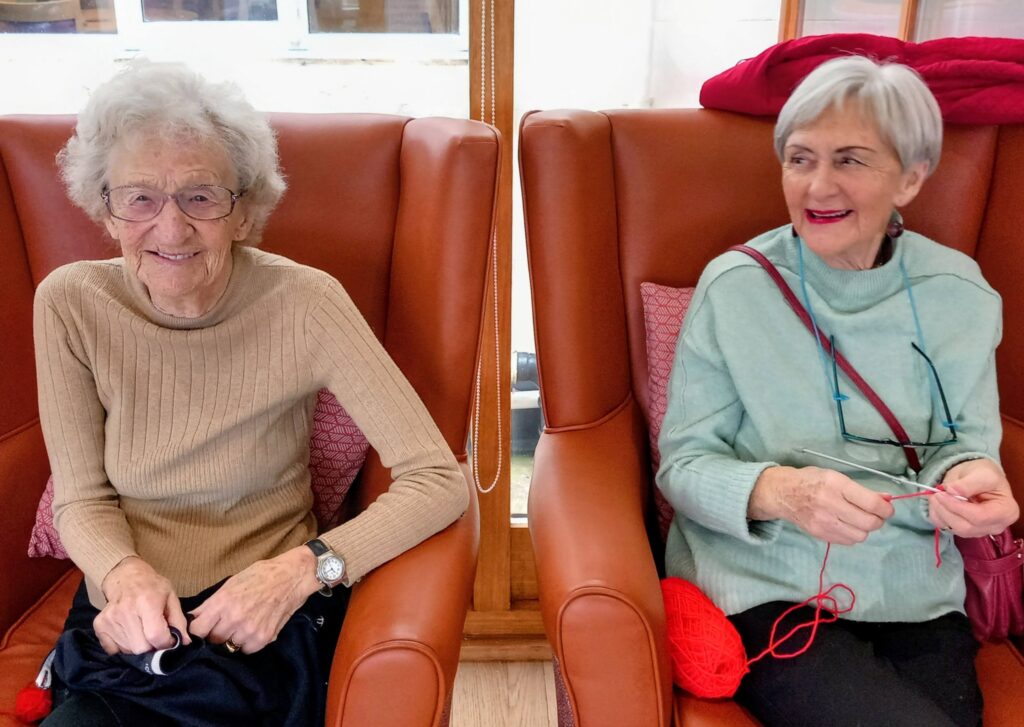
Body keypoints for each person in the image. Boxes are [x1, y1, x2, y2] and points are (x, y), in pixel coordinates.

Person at [34, 61, 468, 726]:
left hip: (264, 615)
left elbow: (438, 478)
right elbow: (82, 498)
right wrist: (122, 576)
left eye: (201, 197)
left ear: (244, 211)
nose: (171, 229)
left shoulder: (305, 301)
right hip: (129, 619)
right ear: (104, 207)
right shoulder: (69, 304)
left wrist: (306, 570)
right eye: (140, 198)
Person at [656, 55, 1019, 727]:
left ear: (910, 178)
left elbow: (969, 446)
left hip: (917, 590)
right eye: (799, 159)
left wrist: (973, 481)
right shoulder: (735, 287)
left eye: (850, 160)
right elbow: (682, 466)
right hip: (767, 585)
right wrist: (786, 493)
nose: (817, 185)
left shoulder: (960, 293)